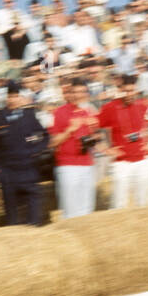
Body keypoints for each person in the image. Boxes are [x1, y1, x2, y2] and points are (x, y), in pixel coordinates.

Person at [0, 80, 50, 226]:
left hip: (29, 167)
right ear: (5, 98)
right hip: (8, 171)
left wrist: (35, 152)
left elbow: (44, 136)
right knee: (12, 216)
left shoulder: (29, 115)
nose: (12, 99)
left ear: (21, 98)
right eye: (10, 96)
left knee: (34, 216)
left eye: (16, 96)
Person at [98, 74, 148, 208]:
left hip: (144, 159)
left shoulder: (144, 104)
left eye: (133, 90)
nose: (130, 94)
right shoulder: (110, 107)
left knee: (144, 202)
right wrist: (104, 149)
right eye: (127, 90)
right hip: (122, 162)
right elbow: (93, 127)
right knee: (119, 203)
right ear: (120, 90)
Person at [49, 77, 101, 217]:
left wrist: (94, 134)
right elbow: (53, 142)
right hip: (68, 165)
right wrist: (70, 129)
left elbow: (98, 139)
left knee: (87, 210)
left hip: (87, 163)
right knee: (70, 210)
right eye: (76, 92)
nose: (79, 95)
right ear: (70, 93)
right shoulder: (60, 112)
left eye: (82, 91)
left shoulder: (90, 111)